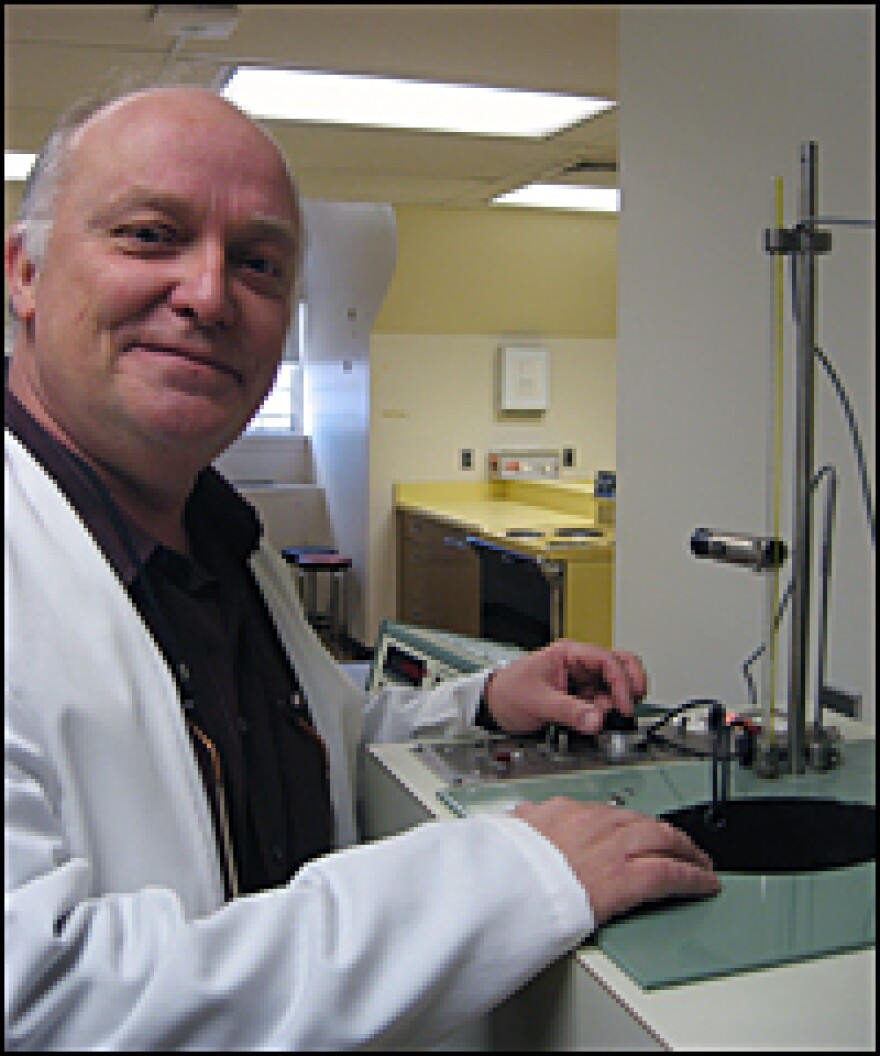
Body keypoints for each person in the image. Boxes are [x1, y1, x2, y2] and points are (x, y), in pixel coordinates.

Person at [4, 83, 719, 1050]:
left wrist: (481, 702)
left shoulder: (218, 534)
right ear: (25, 272)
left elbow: (292, 736)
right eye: (148, 234)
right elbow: (43, 1001)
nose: (210, 295)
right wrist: (507, 880)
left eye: (259, 263)